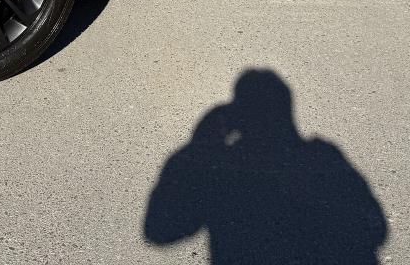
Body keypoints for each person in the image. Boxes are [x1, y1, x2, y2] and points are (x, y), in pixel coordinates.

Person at [145, 69, 388, 264]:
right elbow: (375, 227)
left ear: (238, 120)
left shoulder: (223, 173)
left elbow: (160, 228)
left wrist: (197, 149)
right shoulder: (322, 161)